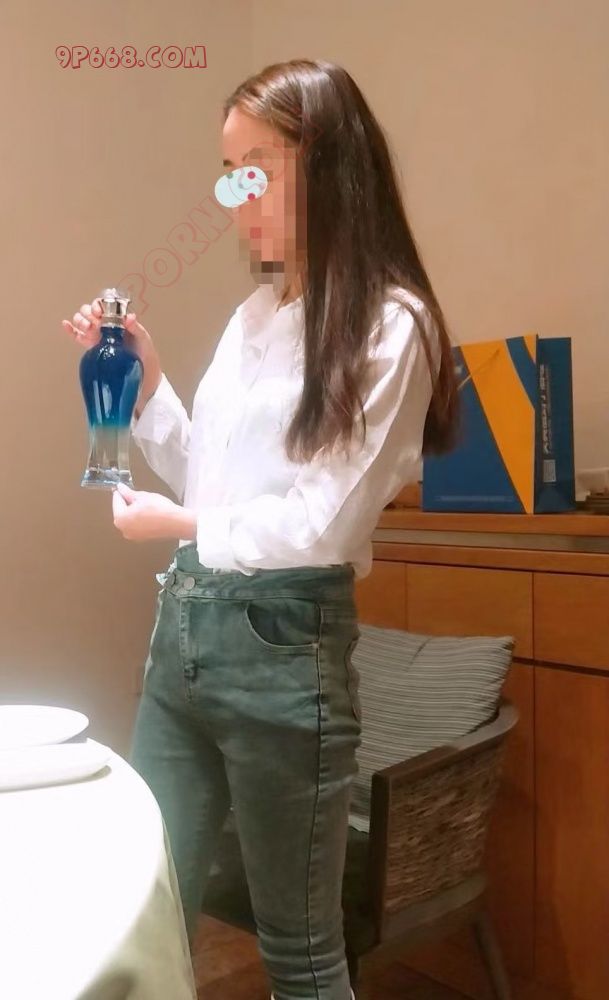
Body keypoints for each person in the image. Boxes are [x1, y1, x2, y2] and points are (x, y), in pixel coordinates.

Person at [63, 58, 459, 1000]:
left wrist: (185, 523)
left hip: (284, 649)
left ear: (327, 166)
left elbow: (323, 523)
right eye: (227, 174)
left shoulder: (391, 324)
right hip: (182, 638)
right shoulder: (256, 315)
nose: (234, 197)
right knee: (145, 911)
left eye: (255, 170)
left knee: (300, 950)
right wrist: (148, 382)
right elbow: (211, 476)